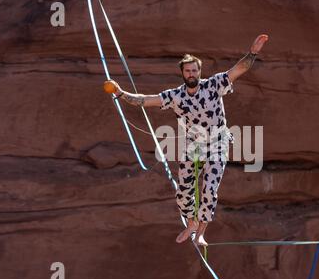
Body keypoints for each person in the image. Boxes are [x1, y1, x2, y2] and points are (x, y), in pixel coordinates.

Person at [105, 34, 269, 246]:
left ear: (199, 72)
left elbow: (239, 69)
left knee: (209, 189)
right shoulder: (175, 96)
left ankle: (200, 232)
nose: (191, 73)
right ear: (182, 73)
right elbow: (146, 100)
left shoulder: (214, 84)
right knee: (183, 191)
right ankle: (190, 223)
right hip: (193, 145)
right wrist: (120, 93)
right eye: (187, 70)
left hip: (217, 143)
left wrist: (253, 53)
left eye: (194, 70)